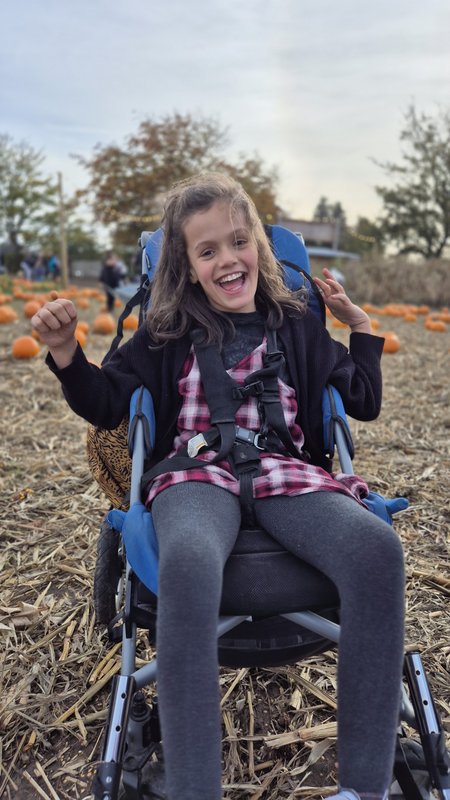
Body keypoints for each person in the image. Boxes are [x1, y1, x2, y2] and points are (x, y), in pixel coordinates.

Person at [31, 172, 404, 800]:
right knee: (189, 557)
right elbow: (105, 404)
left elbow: (361, 401)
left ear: (257, 243)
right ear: (187, 266)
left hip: (290, 475)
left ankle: (362, 788)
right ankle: (194, 788)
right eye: (208, 251)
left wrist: (359, 324)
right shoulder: (164, 333)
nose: (228, 259)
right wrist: (68, 353)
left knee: (377, 550)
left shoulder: (297, 326)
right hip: (197, 475)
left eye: (239, 242)